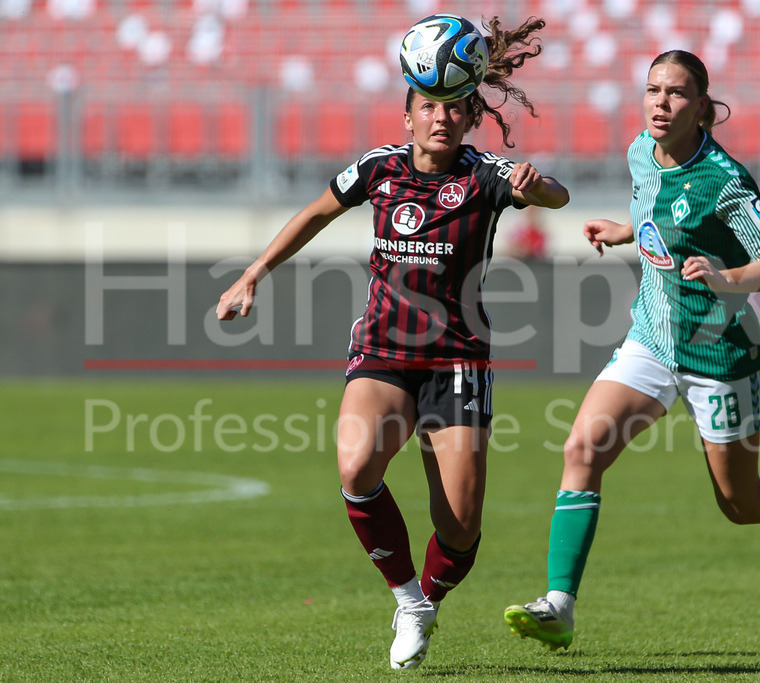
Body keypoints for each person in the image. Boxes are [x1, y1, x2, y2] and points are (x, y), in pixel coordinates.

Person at [503, 49, 760, 651]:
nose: (661, 103)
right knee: (582, 446)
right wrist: (625, 230)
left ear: (704, 108)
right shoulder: (641, 148)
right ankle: (560, 605)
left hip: (718, 356)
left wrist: (728, 280)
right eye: (653, 90)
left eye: (677, 94)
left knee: (743, 503)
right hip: (653, 339)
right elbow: (658, 215)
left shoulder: (724, 179)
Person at [216, 16, 567, 670]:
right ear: (407, 116)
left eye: (453, 110)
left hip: (458, 360)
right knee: (355, 469)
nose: (440, 119)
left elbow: (557, 194)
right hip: (384, 349)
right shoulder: (377, 169)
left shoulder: (489, 175)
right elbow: (316, 212)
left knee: (460, 528)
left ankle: (428, 597)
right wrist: (251, 275)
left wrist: (535, 186)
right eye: (427, 107)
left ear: (469, 120)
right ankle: (407, 598)